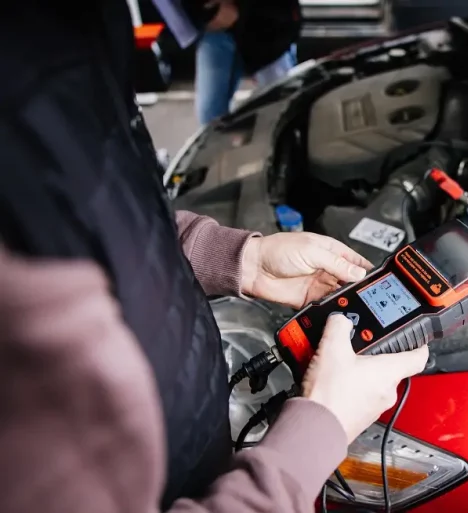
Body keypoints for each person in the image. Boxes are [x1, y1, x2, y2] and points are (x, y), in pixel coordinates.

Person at [0, 1, 427, 512]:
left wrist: (238, 258)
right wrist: (318, 429)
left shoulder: (66, 28)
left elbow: (94, 224)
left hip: (196, 435)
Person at [152, 0, 299, 124]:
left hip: (268, 25)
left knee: (280, 110)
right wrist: (208, 13)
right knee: (210, 115)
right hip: (218, 29)